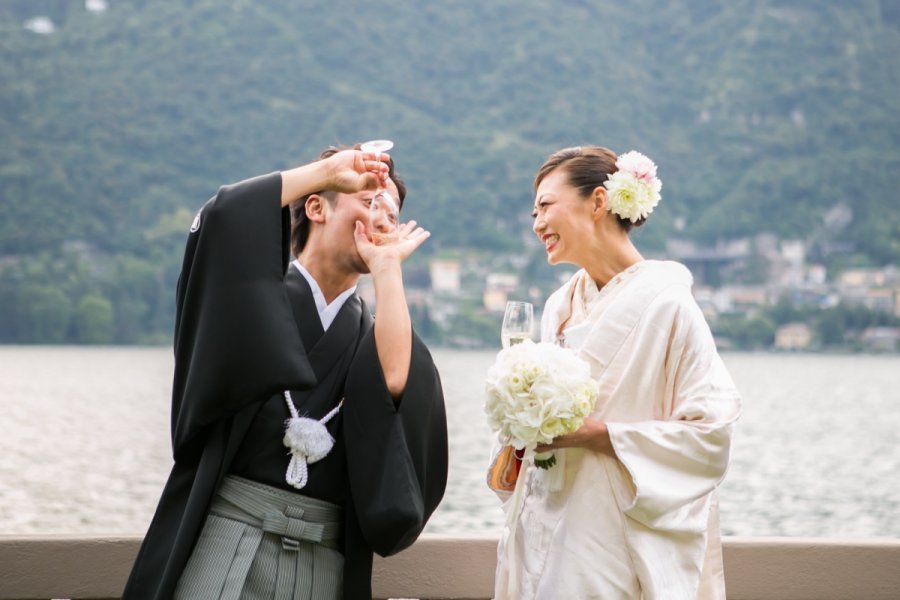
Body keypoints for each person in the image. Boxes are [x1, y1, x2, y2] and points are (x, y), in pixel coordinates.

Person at [123, 145, 448, 600]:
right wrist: (327, 172)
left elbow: (395, 386)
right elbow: (223, 219)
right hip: (226, 539)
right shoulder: (254, 304)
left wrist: (388, 270)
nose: (382, 218)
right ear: (316, 205)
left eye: (391, 211)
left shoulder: (377, 336)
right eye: (369, 200)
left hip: (322, 563)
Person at [490, 146, 741, 599]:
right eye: (533, 211)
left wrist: (598, 434)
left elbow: (711, 437)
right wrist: (520, 425)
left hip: (612, 533)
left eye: (546, 206)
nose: (537, 223)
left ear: (599, 202)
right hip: (549, 523)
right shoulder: (557, 308)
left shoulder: (669, 304)